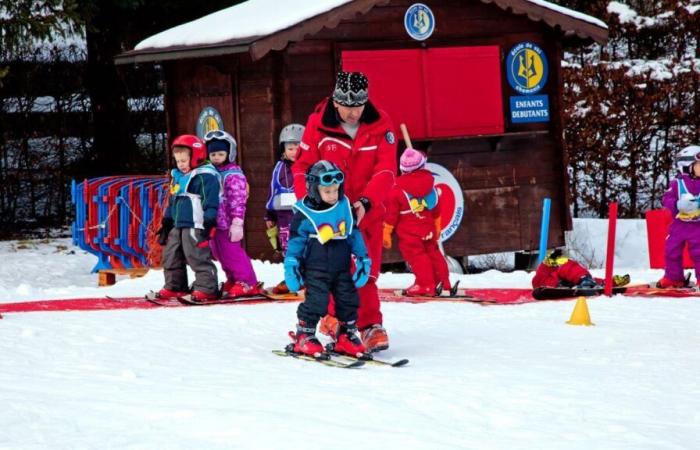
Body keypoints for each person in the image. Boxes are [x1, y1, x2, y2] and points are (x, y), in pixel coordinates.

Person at [293, 71, 397, 352]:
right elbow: (302, 167)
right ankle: (333, 319)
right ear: (335, 102)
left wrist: (366, 202)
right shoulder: (318, 123)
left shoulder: (381, 124)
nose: (353, 114)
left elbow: (386, 170)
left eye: (358, 107)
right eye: (347, 107)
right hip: (328, 216)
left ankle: (371, 326)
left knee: (366, 271)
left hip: (367, 213)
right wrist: (312, 205)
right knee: (328, 270)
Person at [285, 161, 371, 357]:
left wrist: (363, 259)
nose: (333, 196)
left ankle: (346, 335)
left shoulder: (344, 207)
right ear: (315, 190)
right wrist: (291, 264)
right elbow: (296, 242)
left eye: (335, 190)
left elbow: (354, 235)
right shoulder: (305, 214)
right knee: (318, 301)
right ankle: (304, 335)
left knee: (349, 299)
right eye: (327, 191)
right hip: (316, 268)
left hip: (341, 268)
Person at [156, 135, 220, 301]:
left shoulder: (205, 176)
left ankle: (207, 288)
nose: (181, 165)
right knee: (171, 254)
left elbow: (211, 202)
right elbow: (173, 200)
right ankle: (175, 286)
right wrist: (167, 221)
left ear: (196, 156)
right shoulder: (178, 176)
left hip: (196, 224)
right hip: (178, 223)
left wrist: (209, 222)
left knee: (196, 255)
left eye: (184, 161)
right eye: (178, 161)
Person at [382, 148, 450, 296]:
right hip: (428, 226)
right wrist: (437, 227)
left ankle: (425, 285)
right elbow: (436, 208)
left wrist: (386, 232)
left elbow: (391, 215)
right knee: (433, 252)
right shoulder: (430, 186)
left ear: (402, 169)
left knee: (417, 256)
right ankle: (443, 282)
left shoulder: (397, 190)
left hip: (409, 232)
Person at [204, 129, 261, 297]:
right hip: (215, 221)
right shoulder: (210, 172)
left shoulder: (233, 174)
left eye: (220, 154)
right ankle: (233, 278)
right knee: (219, 253)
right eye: (213, 154)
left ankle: (247, 282)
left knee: (232, 252)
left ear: (229, 153)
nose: (216, 157)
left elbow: (238, 199)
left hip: (228, 222)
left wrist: (237, 222)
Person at [265, 123, 305, 293]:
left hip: (305, 217)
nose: (294, 152)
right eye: (290, 148)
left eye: (297, 147)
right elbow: (272, 191)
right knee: (288, 249)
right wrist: (269, 215)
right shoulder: (279, 168)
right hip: (284, 218)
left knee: (307, 247)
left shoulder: (310, 166)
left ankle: (308, 279)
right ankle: (291, 279)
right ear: (283, 149)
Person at [657, 145, 700, 288]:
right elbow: (666, 199)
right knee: (672, 250)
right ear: (686, 166)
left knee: (699, 253)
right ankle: (673, 277)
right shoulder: (677, 183)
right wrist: (677, 204)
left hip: (697, 226)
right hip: (679, 225)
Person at [532, 249, 629, 289]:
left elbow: (595, 282)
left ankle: (585, 280)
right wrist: (546, 265)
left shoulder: (564, 267)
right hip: (563, 284)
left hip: (578, 281)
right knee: (566, 267)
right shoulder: (544, 275)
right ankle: (584, 280)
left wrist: (612, 282)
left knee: (568, 267)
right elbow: (537, 281)